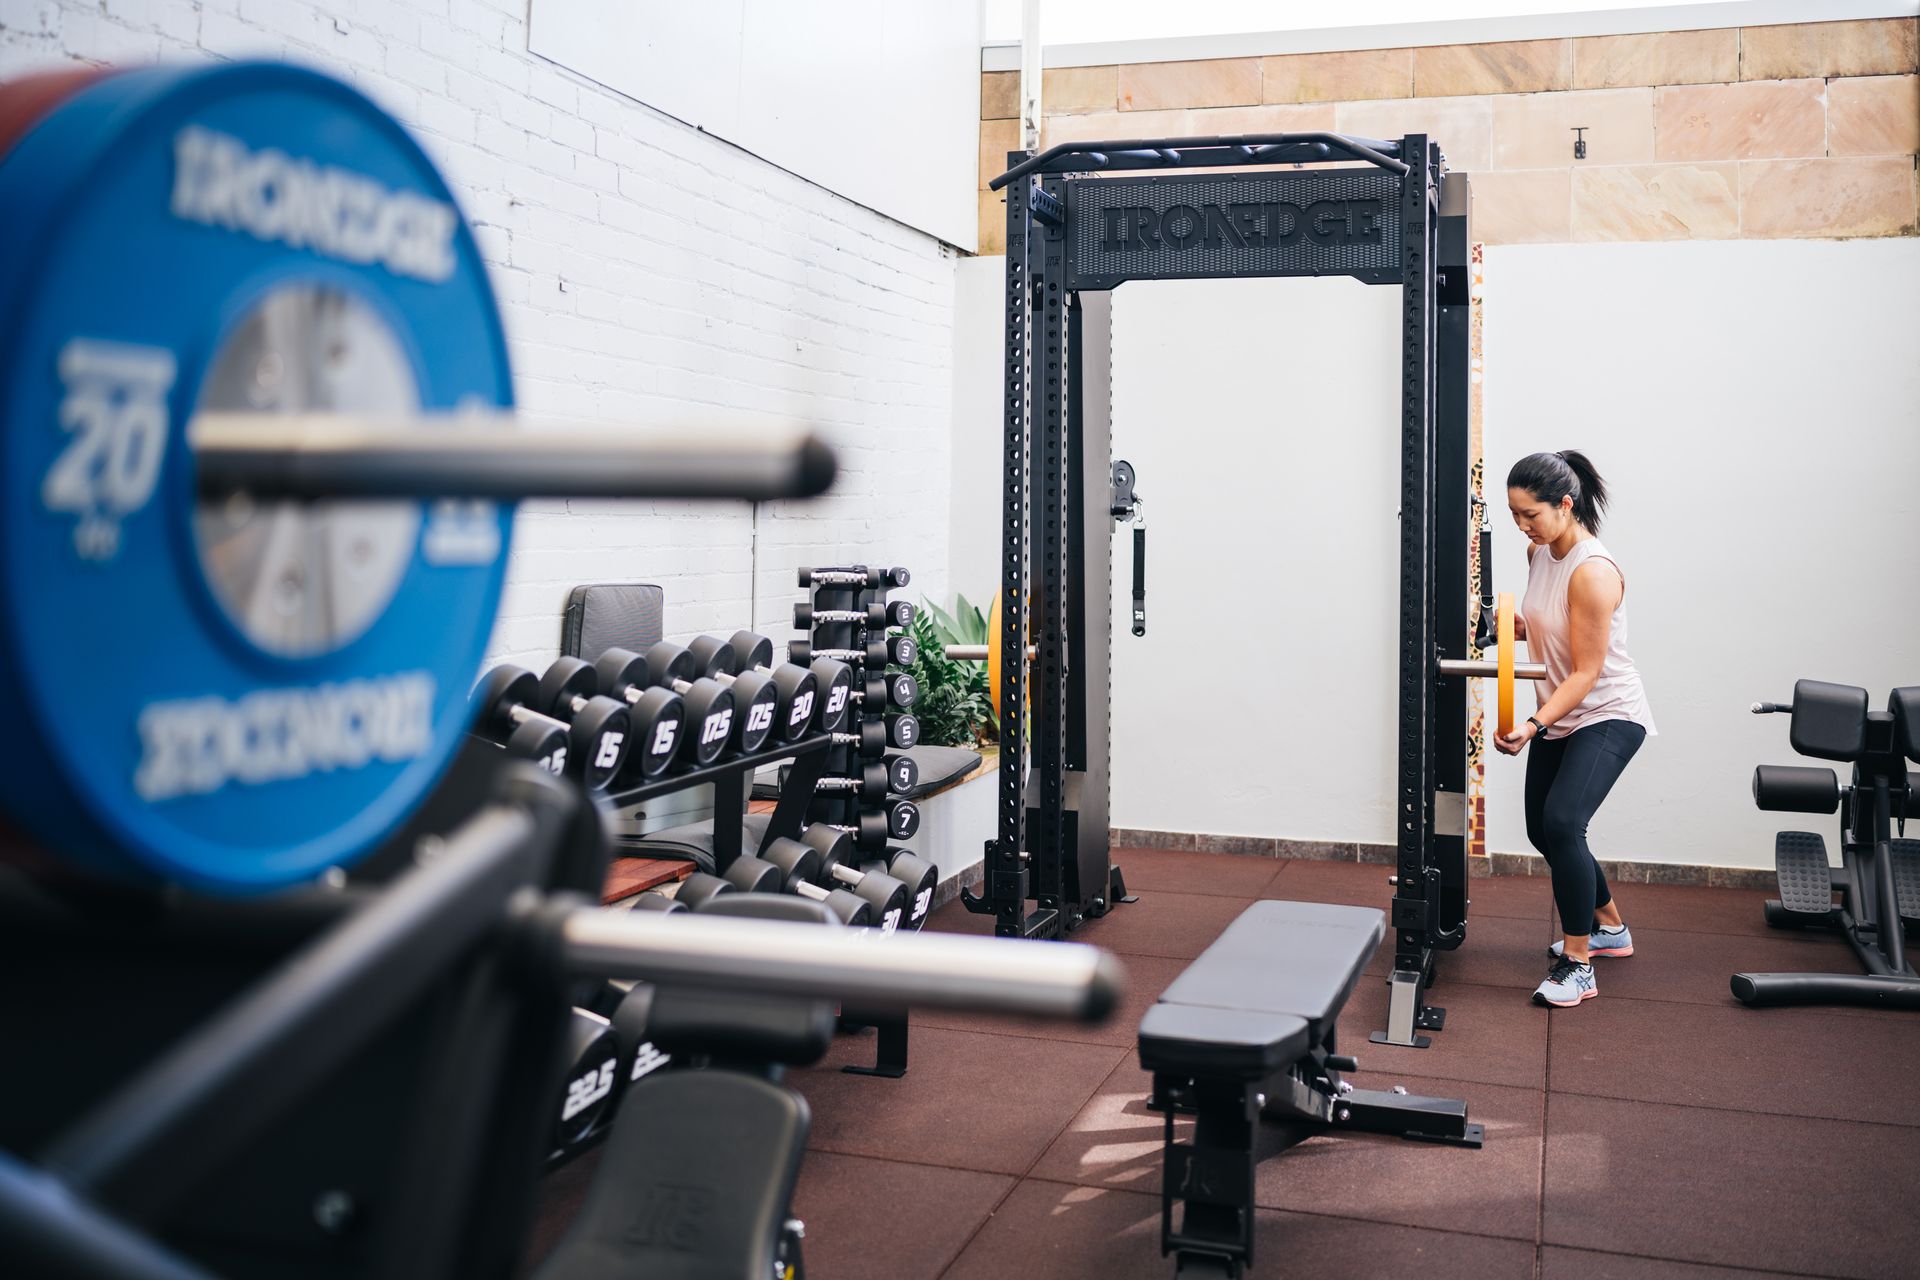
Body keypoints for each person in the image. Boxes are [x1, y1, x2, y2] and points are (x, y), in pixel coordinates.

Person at [1496, 451, 1656, 1009]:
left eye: (1530, 514)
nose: (1522, 525)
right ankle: (1611, 927)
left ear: (1566, 504)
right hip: (1564, 713)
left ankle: (1579, 963)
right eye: (1514, 513)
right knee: (1544, 830)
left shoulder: (1593, 572)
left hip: (1607, 711)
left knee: (1564, 822)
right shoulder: (1539, 551)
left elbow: (1587, 671)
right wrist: (1509, 627)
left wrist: (1534, 722)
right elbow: (1545, 622)